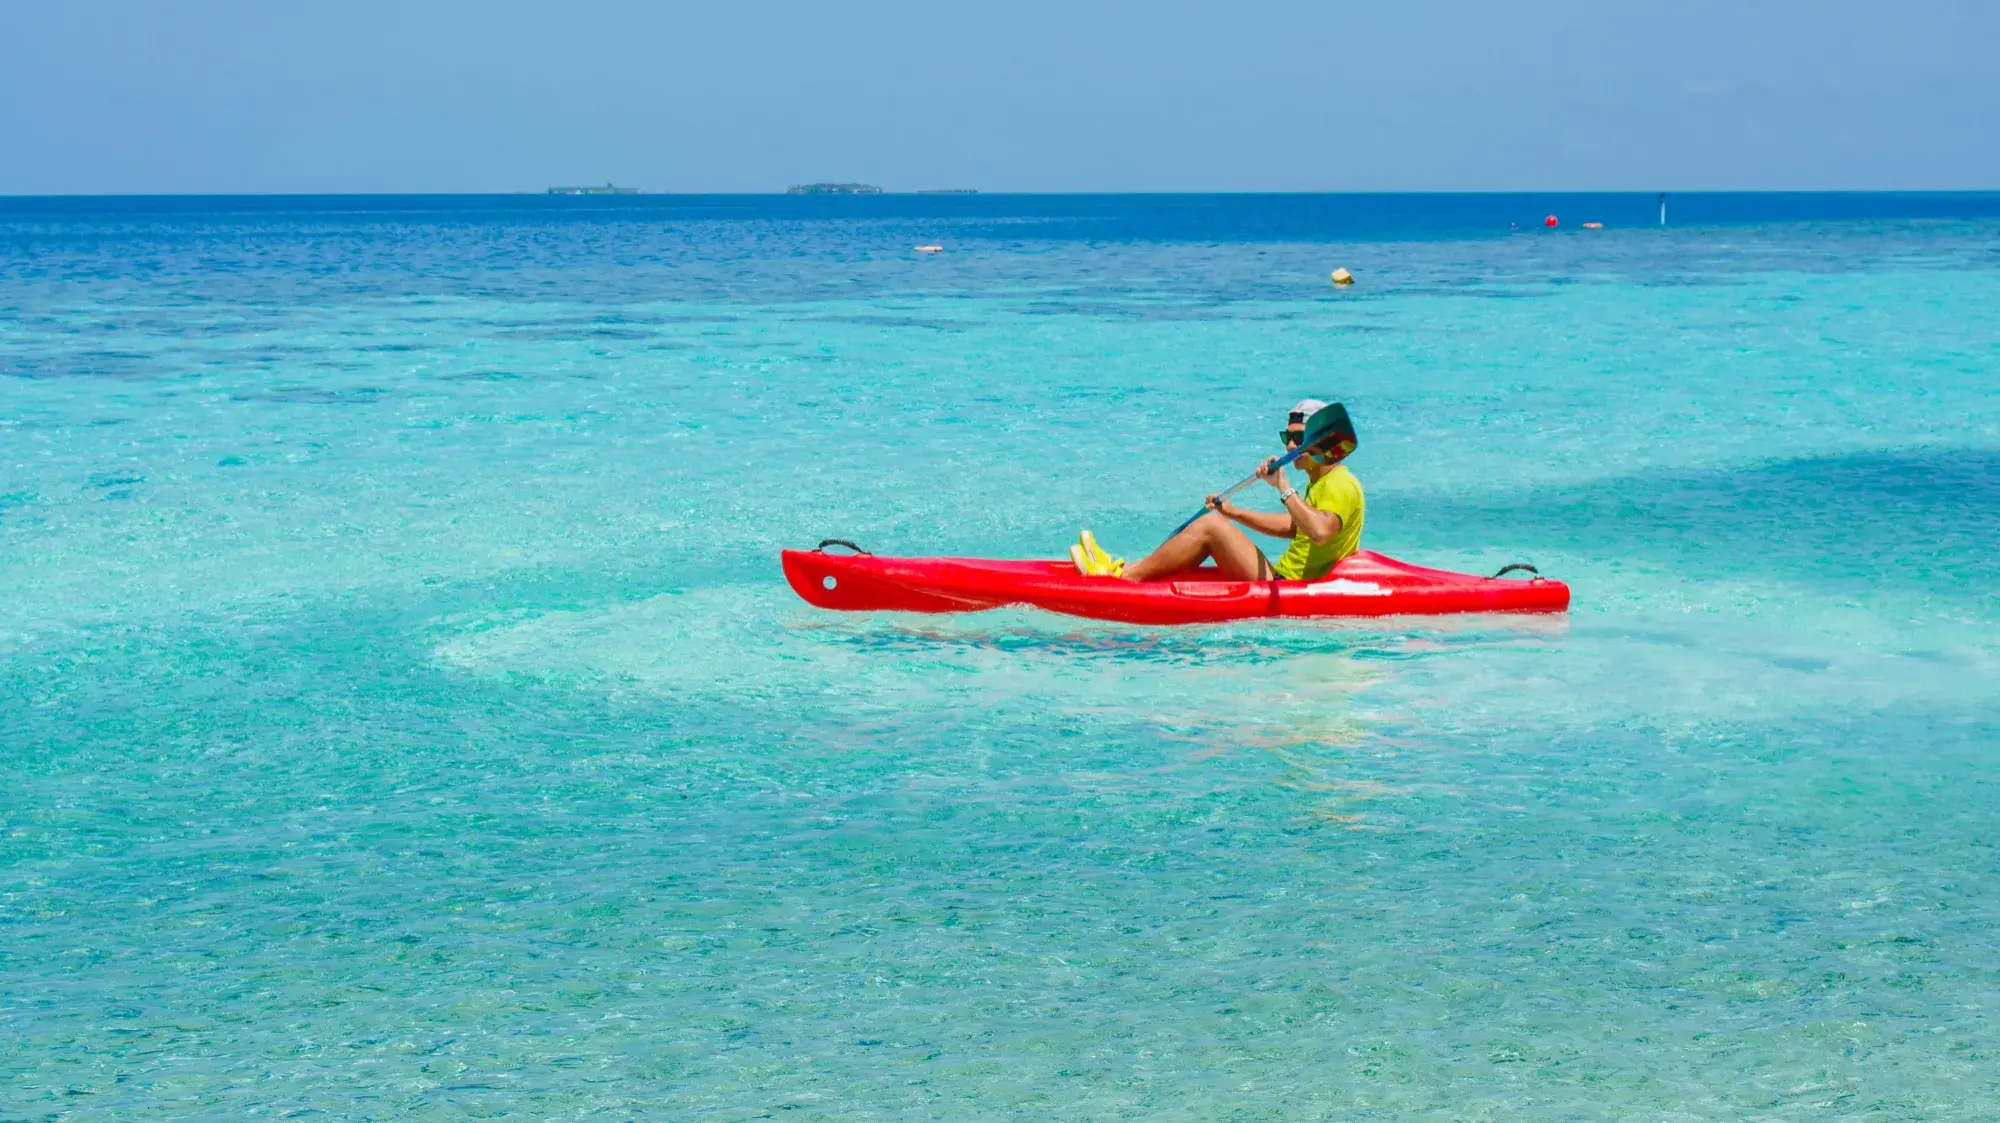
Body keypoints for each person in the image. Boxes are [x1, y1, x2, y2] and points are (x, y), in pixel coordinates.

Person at [1072, 399, 1364, 582]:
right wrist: (1233, 512)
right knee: (1217, 520)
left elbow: (1320, 532)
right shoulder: (1319, 482)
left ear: (1320, 441)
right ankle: (1125, 567)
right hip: (1283, 578)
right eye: (1286, 437)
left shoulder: (1340, 483)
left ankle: (1122, 578)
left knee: (1211, 526)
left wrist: (1283, 486)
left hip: (1288, 586)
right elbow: (1294, 527)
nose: (1288, 446)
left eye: (1297, 438)